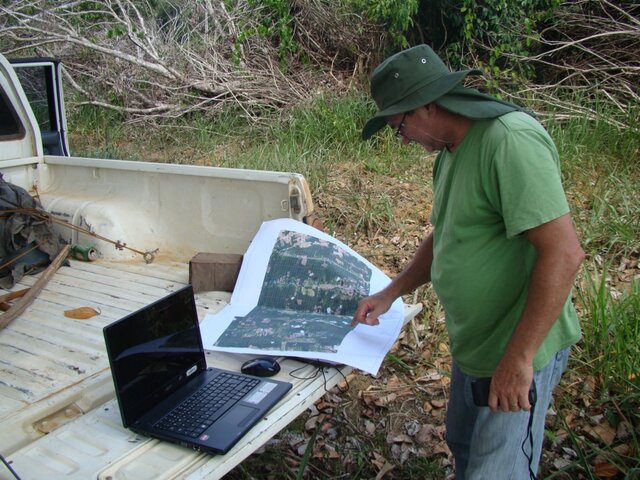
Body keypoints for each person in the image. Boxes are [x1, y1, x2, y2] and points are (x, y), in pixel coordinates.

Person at [352, 44, 585, 479]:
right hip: (476, 347)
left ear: (427, 105)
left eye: (399, 125)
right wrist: (391, 292)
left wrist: (519, 359)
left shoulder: (508, 141)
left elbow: (564, 253)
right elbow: (447, 237)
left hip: (517, 349)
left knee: (498, 470)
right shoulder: (450, 152)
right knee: (463, 446)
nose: (400, 138)